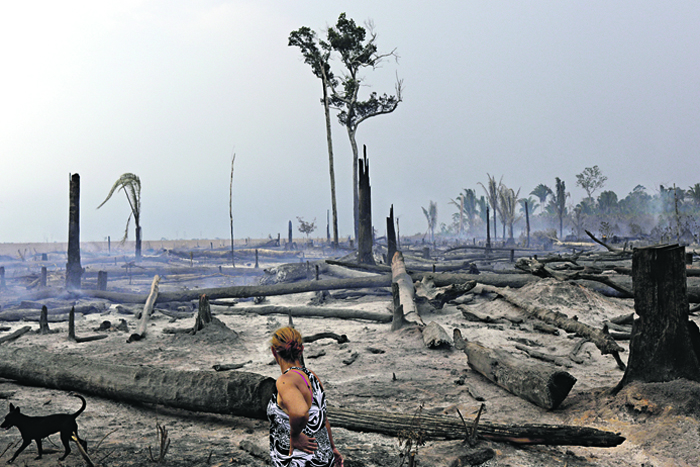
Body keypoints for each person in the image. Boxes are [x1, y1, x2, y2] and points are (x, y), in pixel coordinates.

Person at [267, 326, 343, 467]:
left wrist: (295, 436)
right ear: (301, 350)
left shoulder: (285, 381)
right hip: (321, 458)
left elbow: (300, 413)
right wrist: (332, 448)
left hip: (299, 461)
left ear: (273, 351)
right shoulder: (312, 376)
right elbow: (323, 418)